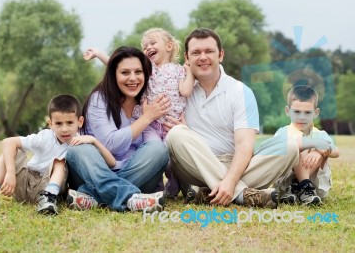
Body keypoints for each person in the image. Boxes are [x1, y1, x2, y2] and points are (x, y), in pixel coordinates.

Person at [164, 28, 301, 208]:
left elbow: (245, 146)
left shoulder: (240, 91)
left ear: (220, 55)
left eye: (209, 51)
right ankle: (244, 194)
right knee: (176, 134)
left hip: (236, 166)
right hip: (194, 166)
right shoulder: (178, 90)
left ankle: (208, 192)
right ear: (187, 58)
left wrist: (230, 181)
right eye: (196, 53)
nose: (202, 57)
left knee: (289, 146)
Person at [83, 28, 196, 200]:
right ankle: (124, 194)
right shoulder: (148, 71)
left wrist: (191, 71)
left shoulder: (177, 71)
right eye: (145, 46)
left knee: (162, 153)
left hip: (163, 132)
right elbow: (118, 65)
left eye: (152, 43)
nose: (133, 77)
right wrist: (98, 53)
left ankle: (95, 195)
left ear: (169, 46)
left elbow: (186, 90)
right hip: (113, 163)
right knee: (78, 151)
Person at [0, 94, 115, 215]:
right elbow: (8, 142)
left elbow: (111, 163)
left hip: (49, 186)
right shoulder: (45, 136)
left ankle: (48, 200)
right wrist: (11, 173)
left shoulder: (82, 142)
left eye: (70, 123)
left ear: (80, 121)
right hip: (23, 184)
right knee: (12, 150)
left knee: (60, 162)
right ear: (50, 123)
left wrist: (94, 141)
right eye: (58, 124)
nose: (64, 129)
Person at [66, 46, 169, 212]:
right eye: (125, 73)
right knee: (78, 150)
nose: (133, 78)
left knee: (159, 150)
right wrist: (146, 118)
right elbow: (111, 144)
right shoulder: (99, 99)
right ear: (113, 74)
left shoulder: (147, 102)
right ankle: (130, 197)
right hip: (95, 172)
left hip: (137, 173)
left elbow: (154, 147)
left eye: (138, 72)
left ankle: (92, 197)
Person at [273, 85, 339, 205]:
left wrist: (318, 152)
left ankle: (304, 188)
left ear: (316, 113)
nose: (302, 117)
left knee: (324, 149)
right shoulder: (283, 132)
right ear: (288, 111)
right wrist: (311, 144)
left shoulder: (319, 134)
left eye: (307, 112)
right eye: (297, 112)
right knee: (299, 143)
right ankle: (300, 186)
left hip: (314, 187)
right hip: (285, 184)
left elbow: (336, 151)